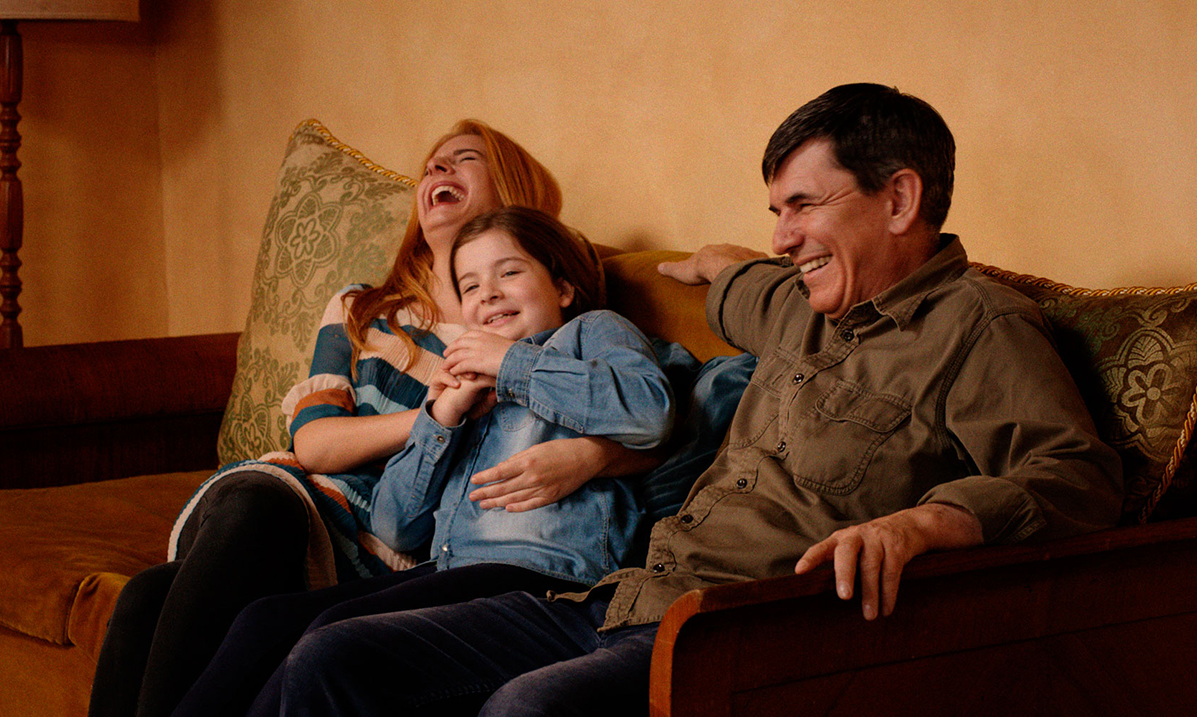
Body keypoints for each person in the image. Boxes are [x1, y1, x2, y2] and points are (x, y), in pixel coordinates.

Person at [270, 83, 1124, 717]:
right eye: (775, 211)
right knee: (331, 657)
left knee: (528, 709)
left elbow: (1077, 476)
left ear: (899, 199)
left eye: (803, 206)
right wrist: (716, 264)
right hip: (631, 595)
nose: (783, 235)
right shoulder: (797, 300)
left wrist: (926, 523)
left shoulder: (977, 325)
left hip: (754, 627)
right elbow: (738, 283)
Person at [87, 120, 666, 717]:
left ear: (562, 284)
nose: (489, 293)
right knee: (181, 603)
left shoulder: (585, 335)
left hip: (536, 570)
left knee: (314, 631)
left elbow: (657, 412)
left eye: (509, 271)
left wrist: (515, 370)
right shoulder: (401, 331)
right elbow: (391, 514)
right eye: (471, 285)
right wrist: (439, 417)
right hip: (442, 556)